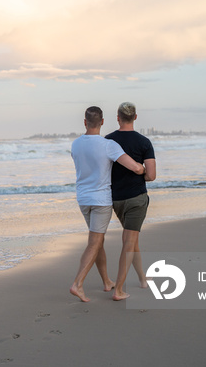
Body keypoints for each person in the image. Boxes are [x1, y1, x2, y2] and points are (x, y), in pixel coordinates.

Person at [69, 106, 145, 302]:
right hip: (101, 201)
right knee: (94, 243)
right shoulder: (107, 145)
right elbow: (134, 166)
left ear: (85, 122)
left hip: (83, 199)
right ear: (102, 122)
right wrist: (143, 170)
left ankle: (106, 281)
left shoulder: (76, 145)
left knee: (97, 241)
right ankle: (77, 284)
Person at [106, 102, 156, 301]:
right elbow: (151, 175)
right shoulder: (144, 142)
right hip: (136, 198)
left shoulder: (107, 140)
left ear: (117, 117)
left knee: (131, 239)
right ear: (135, 117)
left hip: (116, 199)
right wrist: (138, 175)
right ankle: (119, 289)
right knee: (129, 240)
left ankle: (143, 279)